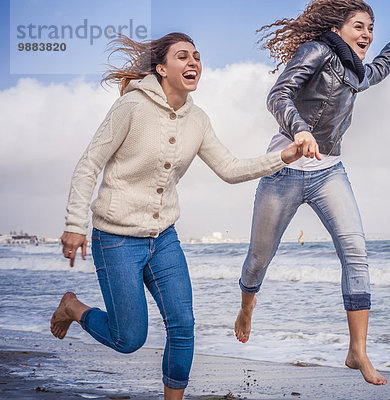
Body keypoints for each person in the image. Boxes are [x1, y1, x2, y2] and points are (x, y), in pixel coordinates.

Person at [50, 32, 307, 400]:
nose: (193, 62)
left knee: (183, 326)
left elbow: (230, 168)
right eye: (182, 56)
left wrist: (280, 158)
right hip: (117, 239)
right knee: (129, 339)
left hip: (164, 239)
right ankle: (73, 307)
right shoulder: (132, 107)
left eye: (197, 56)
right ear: (161, 68)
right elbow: (89, 164)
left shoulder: (197, 119)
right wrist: (74, 225)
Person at [234, 0, 390, 385]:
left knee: (356, 252)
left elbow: (379, 69)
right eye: (359, 26)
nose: (367, 35)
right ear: (338, 29)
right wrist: (300, 129)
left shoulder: (356, 70)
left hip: (328, 171)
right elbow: (279, 94)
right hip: (284, 168)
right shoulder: (318, 49)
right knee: (259, 257)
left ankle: (358, 351)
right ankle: (246, 306)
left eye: (370, 28)